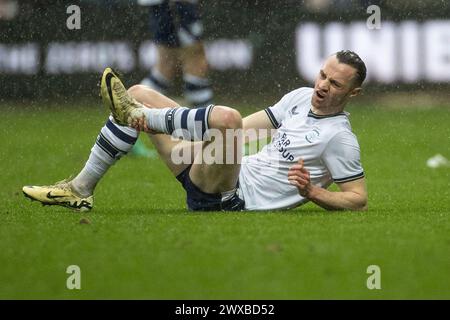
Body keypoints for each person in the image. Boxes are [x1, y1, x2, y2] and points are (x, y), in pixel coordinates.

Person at [22, 50, 368, 212]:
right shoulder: (299, 97)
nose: (322, 85)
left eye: (334, 83)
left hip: (230, 198)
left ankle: (139, 117)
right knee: (140, 93)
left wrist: (313, 193)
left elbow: (358, 199)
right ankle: (80, 189)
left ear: (352, 93)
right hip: (214, 172)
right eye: (323, 74)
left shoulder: (339, 137)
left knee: (226, 118)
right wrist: (200, 137)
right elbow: (246, 131)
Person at [138, 0, 213, 108]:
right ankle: (206, 118)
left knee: (167, 64)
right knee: (195, 61)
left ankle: (134, 107)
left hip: (164, 5)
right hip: (175, 4)